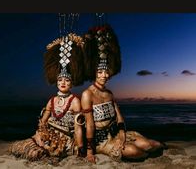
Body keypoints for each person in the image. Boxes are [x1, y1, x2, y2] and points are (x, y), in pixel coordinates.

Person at [81, 23, 165, 163]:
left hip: (116, 133)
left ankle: (162, 146)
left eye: (106, 72)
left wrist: (122, 135)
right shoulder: (87, 94)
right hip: (101, 141)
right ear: (94, 73)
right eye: (100, 72)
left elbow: (119, 118)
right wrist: (89, 151)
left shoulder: (109, 94)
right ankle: (137, 153)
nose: (104, 75)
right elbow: (89, 125)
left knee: (151, 145)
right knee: (136, 152)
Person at [9, 32, 86, 161]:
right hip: (48, 134)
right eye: (60, 80)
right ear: (56, 82)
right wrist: (38, 135)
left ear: (71, 84)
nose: (63, 83)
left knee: (39, 154)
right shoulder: (52, 100)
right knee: (21, 147)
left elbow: (78, 128)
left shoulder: (75, 101)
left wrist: (81, 147)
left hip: (64, 139)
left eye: (66, 80)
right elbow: (43, 122)